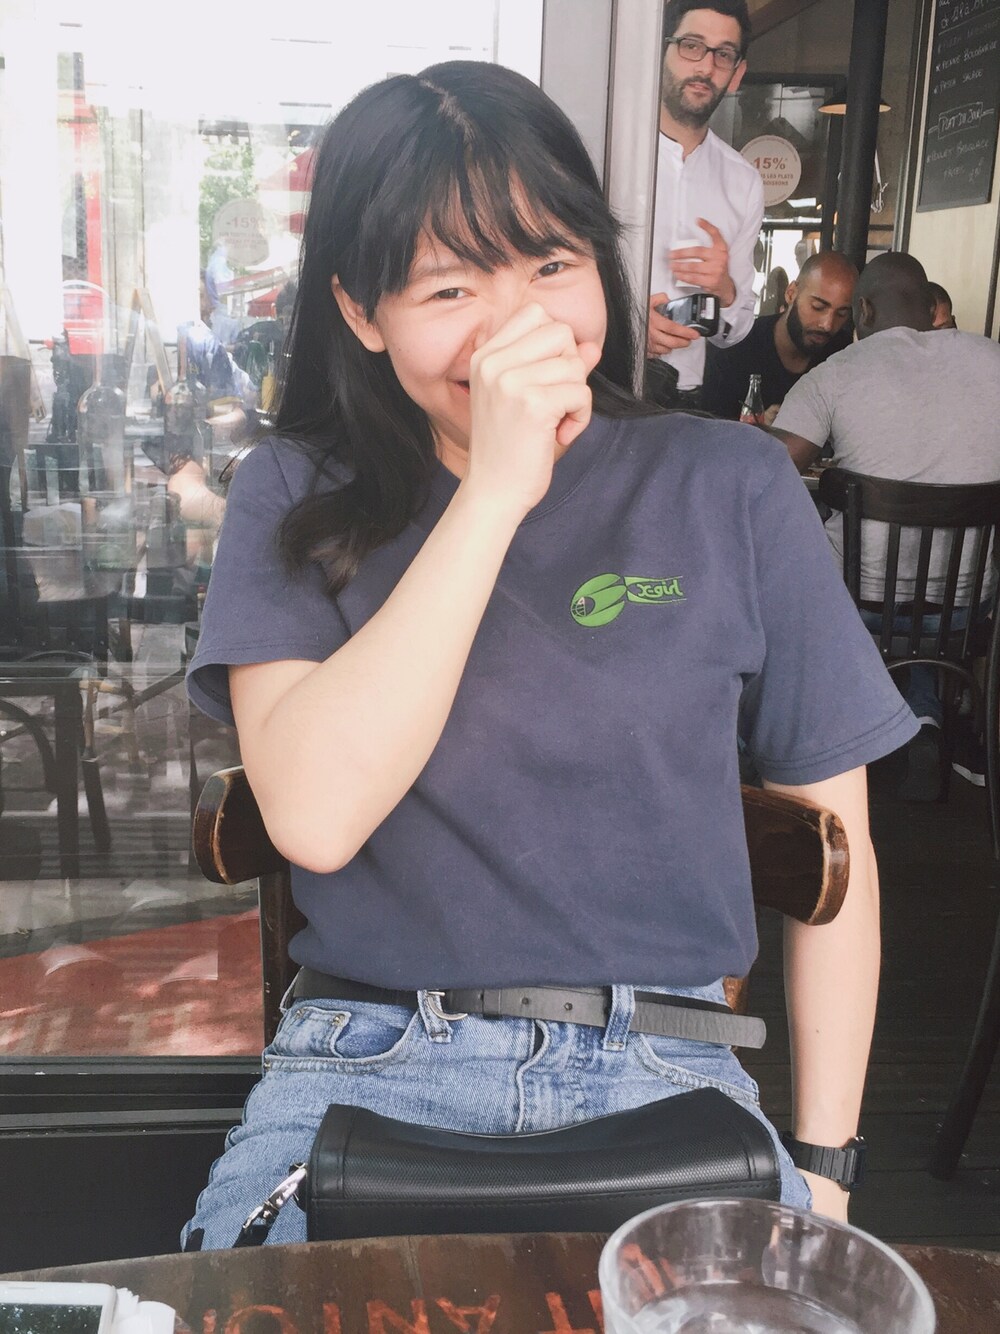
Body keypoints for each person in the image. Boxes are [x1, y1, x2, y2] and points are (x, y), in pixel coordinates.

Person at [183, 60, 918, 1250]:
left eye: (551, 265)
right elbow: (311, 816)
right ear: (362, 313)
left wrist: (826, 1175)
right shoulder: (293, 491)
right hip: (369, 1062)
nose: (518, 329)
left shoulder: (729, 484)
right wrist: (495, 492)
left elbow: (838, 853)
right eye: (449, 286)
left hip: (668, 1068)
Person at [771, 252, 1000, 798]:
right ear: (931, 307)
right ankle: (925, 717)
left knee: (794, 541)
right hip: (968, 610)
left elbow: (768, 470)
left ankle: (807, 733)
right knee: (918, 593)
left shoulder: (836, 373)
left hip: (855, 605)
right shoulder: (992, 358)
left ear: (865, 310)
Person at [646, 1, 765, 407]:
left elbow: (738, 327)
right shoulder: (603, 153)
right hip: (595, 384)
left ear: (737, 74)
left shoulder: (743, 182)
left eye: (723, 54)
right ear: (660, 51)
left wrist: (725, 289)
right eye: (692, 46)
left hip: (682, 400)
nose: (706, 66)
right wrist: (626, 326)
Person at [702, 252, 857, 421]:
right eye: (818, 307)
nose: (827, 324)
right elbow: (706, 427)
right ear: (791, 293)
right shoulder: (735, 346)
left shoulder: (844, 355)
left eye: (841, 313)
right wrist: (755, 429)